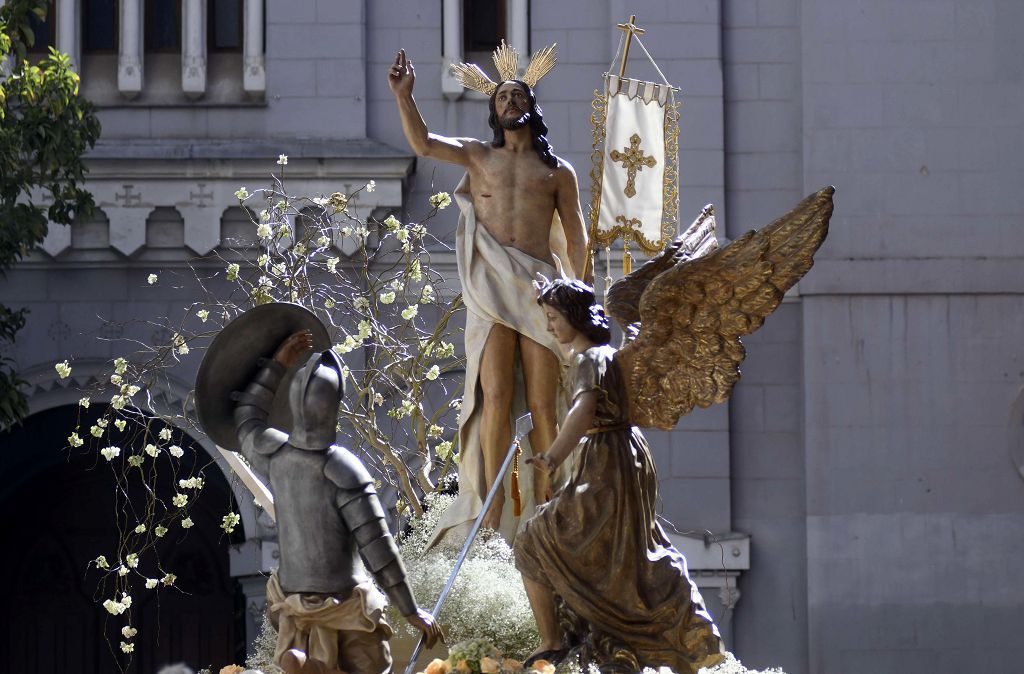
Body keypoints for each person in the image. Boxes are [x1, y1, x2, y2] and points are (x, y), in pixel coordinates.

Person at [388, 49, 590, 540]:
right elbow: (423, 142)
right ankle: (492, 505)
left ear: (532, 107)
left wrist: (579, 295)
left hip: (540, 288)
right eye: (502, 97)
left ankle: (552, 503)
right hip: (491, 286)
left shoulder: (557, 172)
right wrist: (404, 96)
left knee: (543, 401)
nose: (510, 100)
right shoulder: (478, 155)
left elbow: (577, 235)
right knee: (494, 394)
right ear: (493, 111)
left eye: (519, 95)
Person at [513, 280, 725, 673]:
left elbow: (584, 409)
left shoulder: (590, 359)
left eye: (554, 317)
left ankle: (553, 641)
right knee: (623, 551)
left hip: (607, 461)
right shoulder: (605, 355)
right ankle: (614, 631)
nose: (549, 326)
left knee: (534, 539)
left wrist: (553, 456)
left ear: (574, 315)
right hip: (620, 455)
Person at [231, 331, 442, 674]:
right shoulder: (342, 469)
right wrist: (411, 610)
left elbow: (246, 415)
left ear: (294, 404)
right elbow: (379, 550)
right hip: (348, 611)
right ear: (334, 409)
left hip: (291, 605)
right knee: (374, 666)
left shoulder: (274, 455)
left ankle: (306, 662)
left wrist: (277, 364)